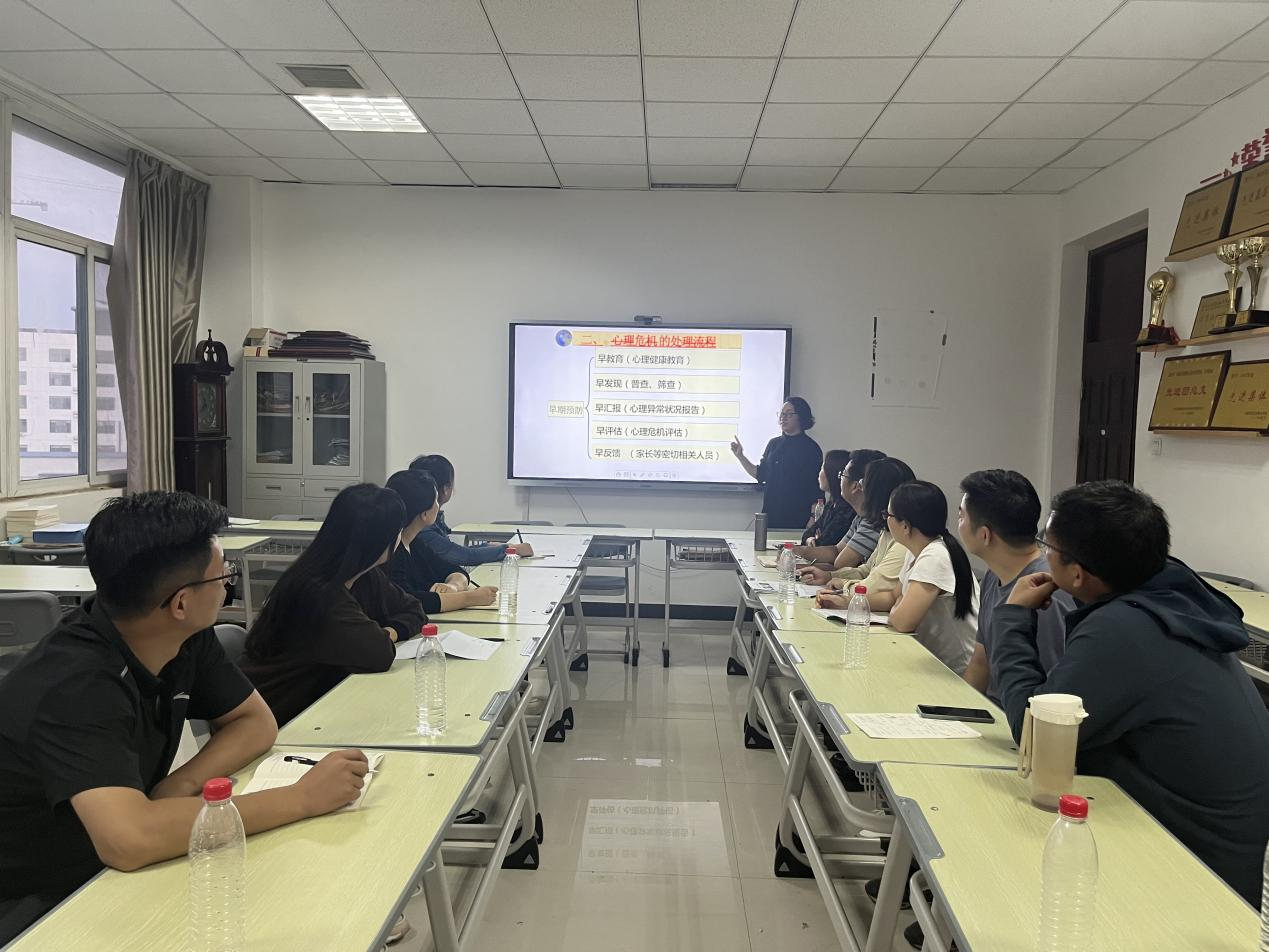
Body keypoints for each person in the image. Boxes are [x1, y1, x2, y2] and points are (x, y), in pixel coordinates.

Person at [0, 492, 368, 943]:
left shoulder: (181, 637)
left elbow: (255, 723)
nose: (228, 587)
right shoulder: (75, 683)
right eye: (223, 576)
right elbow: (130, 839)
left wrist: (180, 784)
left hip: (100, 862)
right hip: (36, 897)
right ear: (181, 602)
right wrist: (301, 798)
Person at [995, 480, 1269, 905]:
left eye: (1047, 545)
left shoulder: (1124, 630)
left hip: (1202, 868)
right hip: (1226, 842)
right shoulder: (1168, 593)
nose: (1043, 555)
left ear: (1077, 573)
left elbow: (1034, 735)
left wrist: (1012, 617)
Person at [241, 483, 426, 727]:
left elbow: (414, 609)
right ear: (380, 540)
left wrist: (389, 632)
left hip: (319, 703)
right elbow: (379, 653)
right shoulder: (317, 593)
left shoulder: (363, 575)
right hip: (277, 719)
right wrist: (382, 636)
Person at [956, 469, 1072, 703]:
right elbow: (980, 663)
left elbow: (1052, 695)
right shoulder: (993, 576)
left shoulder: (1045, 591)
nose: (958, 524)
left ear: (985, 535)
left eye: (961, 516)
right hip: (993, 709)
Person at [874, 480, 978, 674]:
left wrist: (898, 606)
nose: (885, 520)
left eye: (888, 515)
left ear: (905, 526)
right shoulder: (917, 550)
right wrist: (848, 601)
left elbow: (903, 622)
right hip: (932, 662)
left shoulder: (935, 556)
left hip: (957, 674)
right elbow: (893, 596)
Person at [385, 470, 498, 613]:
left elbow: (453, 570)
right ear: (425, 514)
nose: (438, 506)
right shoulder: (390, 551)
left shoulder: (415, 543)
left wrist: (453, 586)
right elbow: (409, 602)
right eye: (436, 501)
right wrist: (470, 598)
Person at [813, 457, 916, 610]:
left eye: (863, 485)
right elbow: (867, 570)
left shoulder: (905, 541)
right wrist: (830, 577)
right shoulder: (887, 530)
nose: (860, 490)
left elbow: (874, 587)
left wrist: (843, 587)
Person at [410, 454, 534, 564]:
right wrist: (511, 549)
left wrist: (488, 546)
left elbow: (454, 551)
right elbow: (464, 556)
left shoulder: (423, 518)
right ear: (446, 488)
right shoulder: (422, 527)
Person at [730, 396, 823, 530]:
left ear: (801, 417)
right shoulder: (773, 444)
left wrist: (813, 517)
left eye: (789, 414)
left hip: (799, 517)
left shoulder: (811, 448)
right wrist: (740, 456)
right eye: (781, 413)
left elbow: (816, 488)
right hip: (771, 516)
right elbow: (761, 474)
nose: (783, 418)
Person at [797, 448, 887, 576]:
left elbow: (840, 563)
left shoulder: (873, 523)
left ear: (856, 486)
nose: (840, 480)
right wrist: (800, 552)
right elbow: (836, 550)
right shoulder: (860, 517)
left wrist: (802, 561)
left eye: (843, 475)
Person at [800, 449, 855, 548]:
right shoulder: (832, 503)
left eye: (822, 468)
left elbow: (826, 543)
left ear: (832, 474)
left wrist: (817, 540)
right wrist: (810, 539)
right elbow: (808, 534)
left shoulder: (847, 510)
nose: (819, 473)